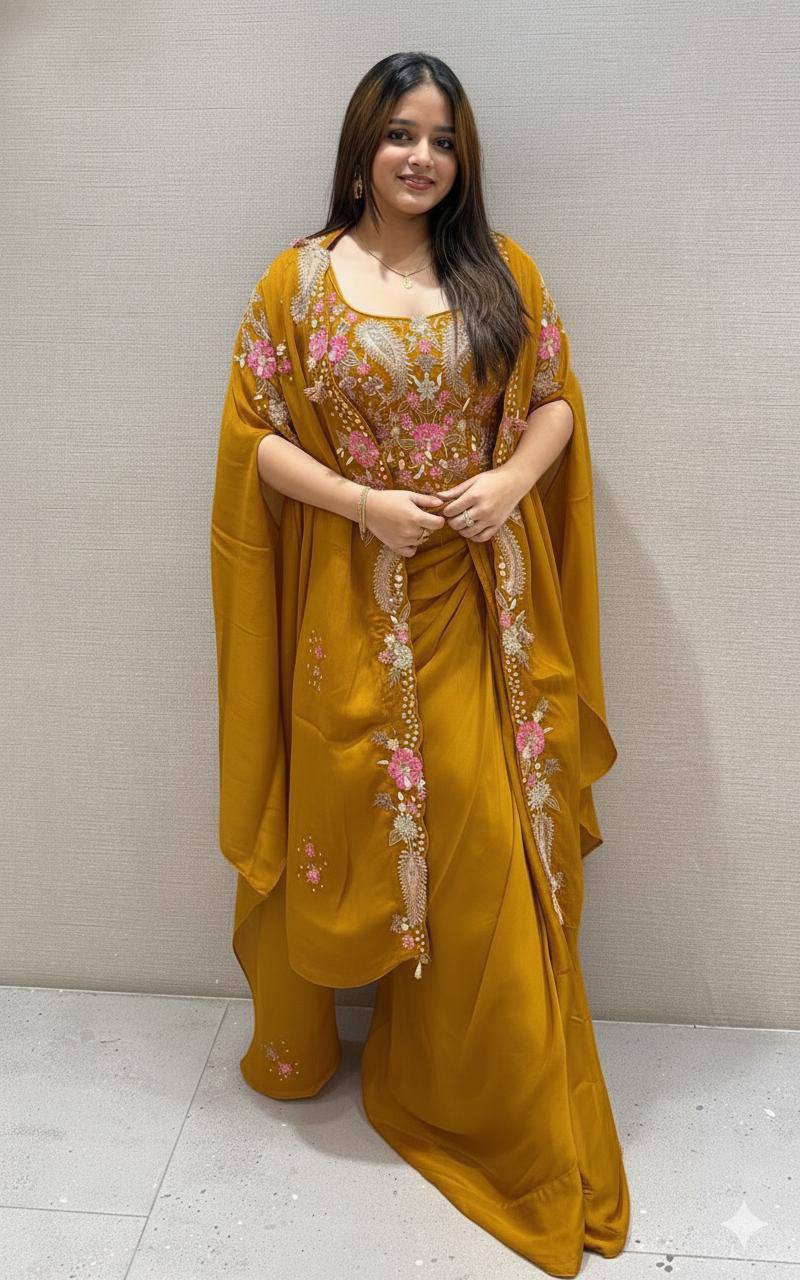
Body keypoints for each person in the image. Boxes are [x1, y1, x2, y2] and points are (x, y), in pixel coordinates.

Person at [210, 50, 630, 1278]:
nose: (422, 158)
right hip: (355, 611)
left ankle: (497, 1113)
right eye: (401, 133)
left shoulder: (499, 273)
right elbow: (253, 440)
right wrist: (362, 503)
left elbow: (551, 400)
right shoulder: (297, 282)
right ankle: (420, 1064)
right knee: (400, 843)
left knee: (491, 850)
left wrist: (507, 481)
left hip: (487, 608)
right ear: (362, 148)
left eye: (442, 140)